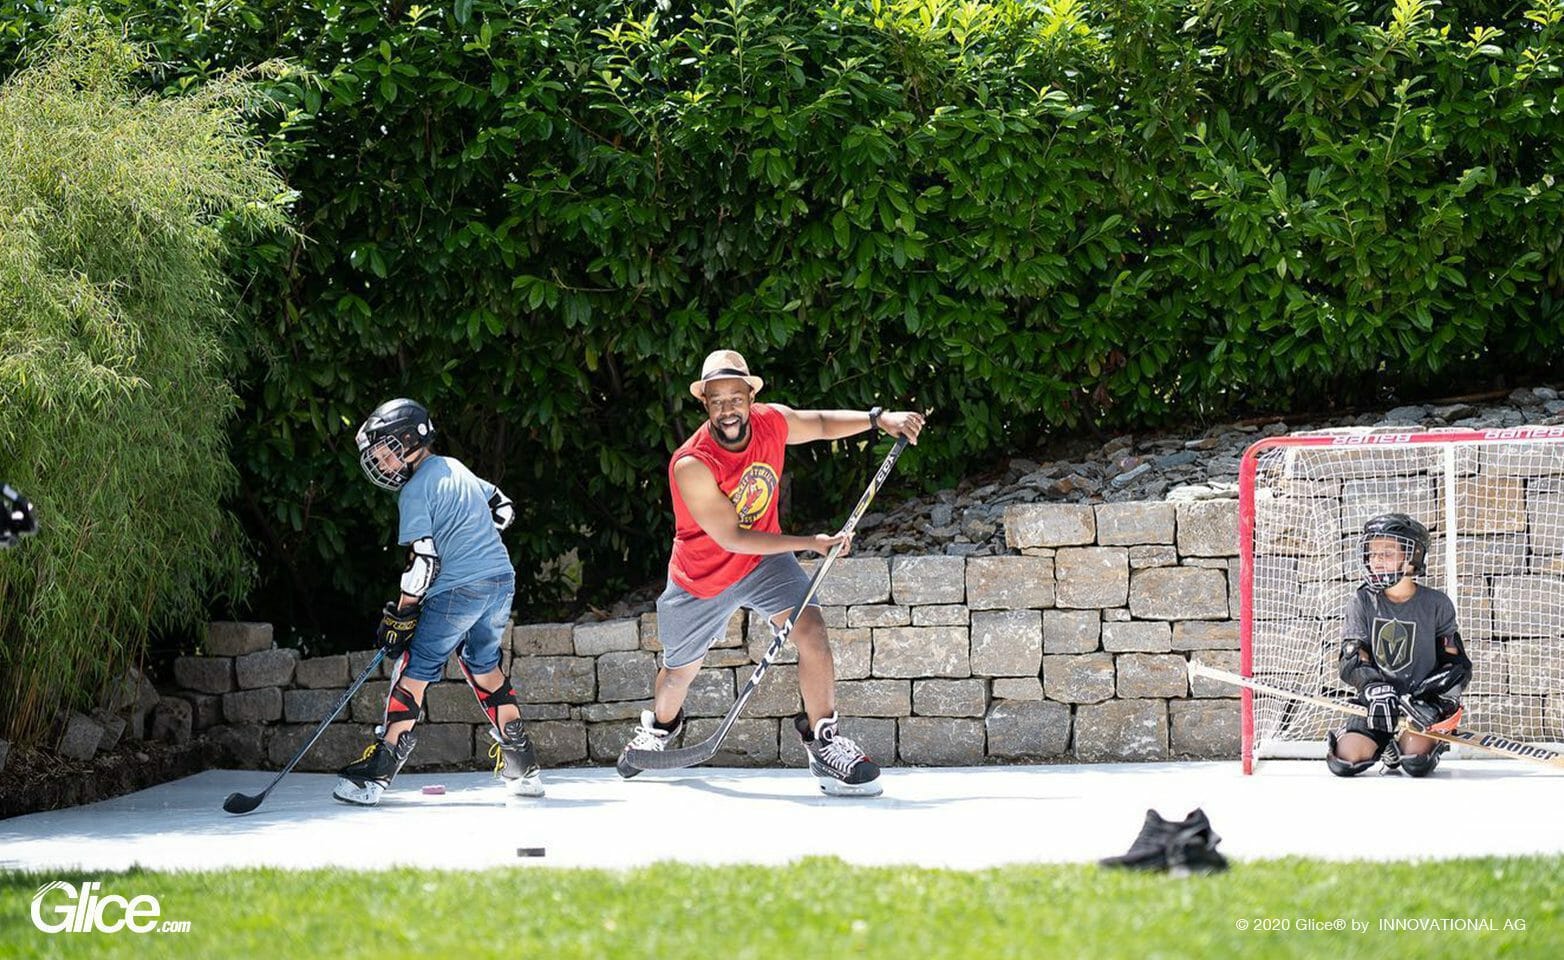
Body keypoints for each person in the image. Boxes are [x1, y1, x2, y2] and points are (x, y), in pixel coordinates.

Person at [616, 349, 925, 796]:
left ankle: (824, 743)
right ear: (705, 403)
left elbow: (818, 424)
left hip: (764, 561)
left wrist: (879, 419)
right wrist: (810, 544)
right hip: (703, 575)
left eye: (735, 396)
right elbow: (733, 538)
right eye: (716, 399)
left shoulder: (771, 422)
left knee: (812, 631)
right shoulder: (692, 463)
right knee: (678, 674)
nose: (727, 408)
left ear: (749, 396)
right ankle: (660, 730)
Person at [334, 398, 542, 804]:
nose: (381, 461)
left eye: (385, 450)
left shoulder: (414, 491)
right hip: (501, 581)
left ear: (411, 440)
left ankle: (375, 778)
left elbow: (423, 563)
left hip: (457, 591)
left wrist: (403, 613)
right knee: (483, 665)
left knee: (414, 669)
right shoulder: (455, 467)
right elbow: (503, 507)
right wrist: (474, 543)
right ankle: (524, 768)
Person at [1328, 513, 1471, 778]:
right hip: (1377, 703)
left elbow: (1456, 665)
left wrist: (1434, 701)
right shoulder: (1361, 601)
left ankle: (1426, 740)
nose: (1377, 560)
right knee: (1344, 762)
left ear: (1412, 557)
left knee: (1416, 762)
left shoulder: (1437, 604)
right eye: (1372, 554)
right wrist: (1373, 687)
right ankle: (1384, 744)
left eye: (1387, 553)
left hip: (1417, 705)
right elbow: (1351, 656)